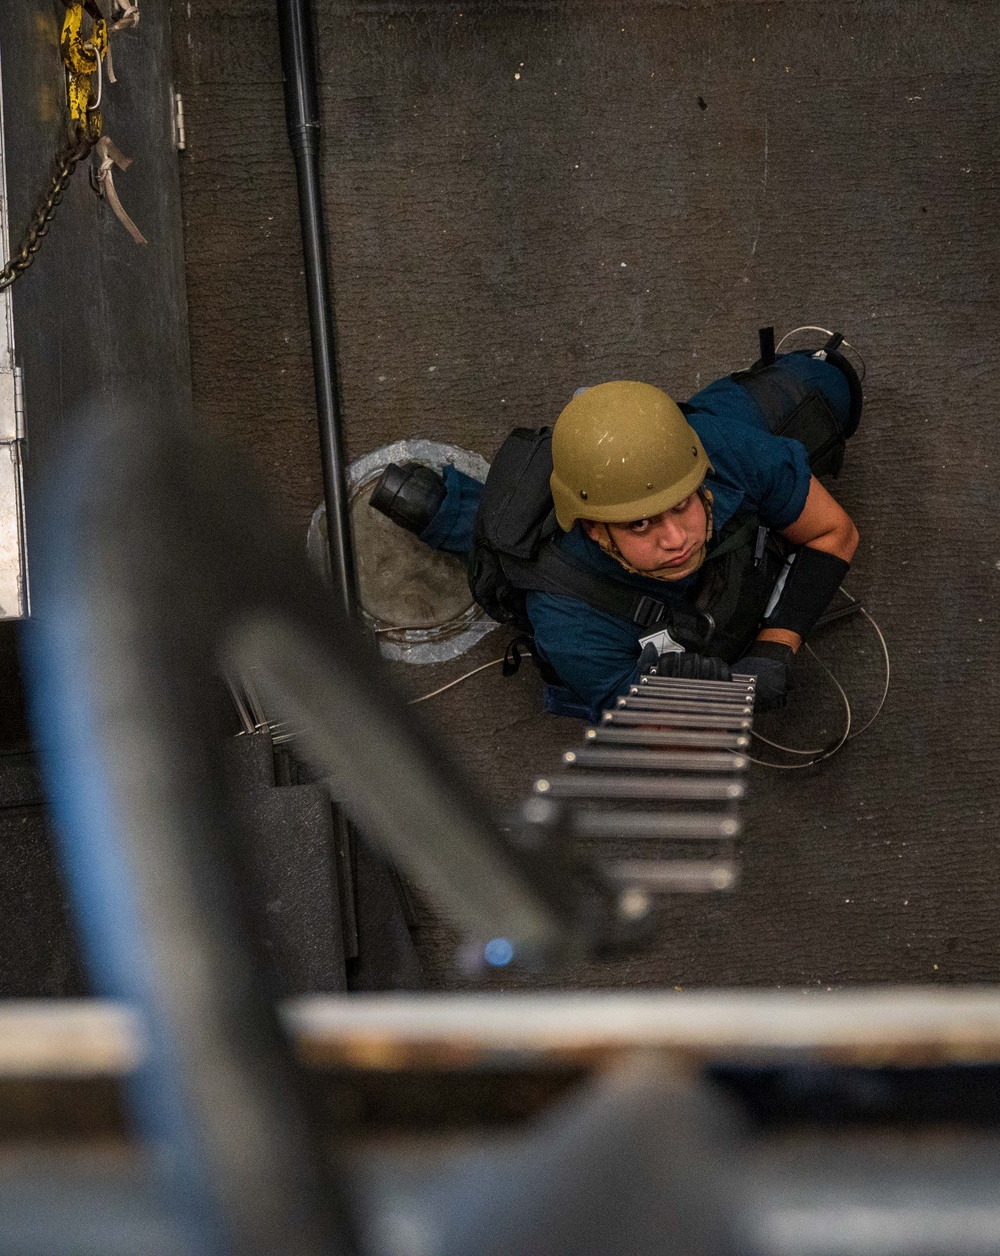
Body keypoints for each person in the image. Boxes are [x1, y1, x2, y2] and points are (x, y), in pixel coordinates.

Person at [371, 332, 861, 720]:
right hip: (596, 594)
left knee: (834, 386)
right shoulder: (570, 624)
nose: (676, 539)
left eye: (683, 504)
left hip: (716, 438)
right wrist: (698, 704)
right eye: (640, 523)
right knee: (503, 544)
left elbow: (833, 532)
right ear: (593, 530)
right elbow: (643, 731)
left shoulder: (717, 445)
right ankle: (454, 517)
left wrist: (775, 648)